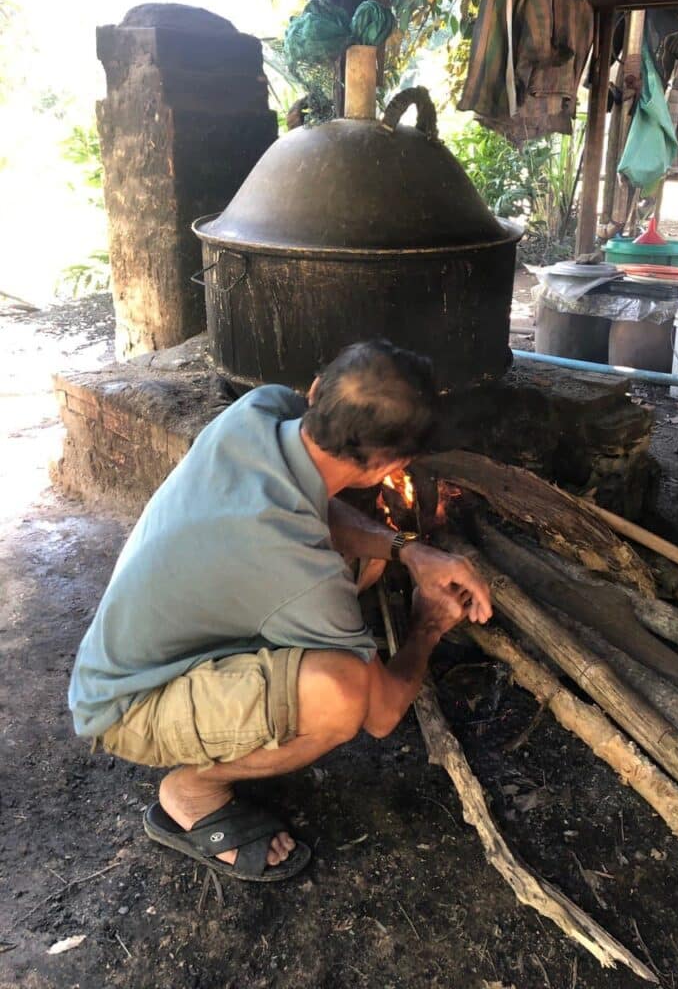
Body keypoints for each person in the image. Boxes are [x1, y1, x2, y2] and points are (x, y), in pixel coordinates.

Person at [69, 340, 492, 883]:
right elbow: (383, 715)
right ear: (388, 468)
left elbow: (307, 505)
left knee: (343, 586)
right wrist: (429, 625)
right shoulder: (298, 570)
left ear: (315, 392)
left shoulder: (260, 411)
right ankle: (192, 792)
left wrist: (409, 551)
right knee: (341, 694)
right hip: (128, 707)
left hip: (133, 650)